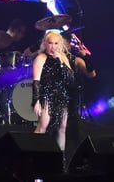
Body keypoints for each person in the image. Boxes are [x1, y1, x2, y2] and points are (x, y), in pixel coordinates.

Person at [31, 30, 96, 171]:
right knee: (43, 126)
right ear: (45, 44)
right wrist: (36, 101)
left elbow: (85, 75)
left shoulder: (65, 58)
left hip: (64, 97)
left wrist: (83, 57)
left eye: (56, 43)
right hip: (47, 95)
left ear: (61, 44)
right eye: (50, 43)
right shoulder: (41, 57)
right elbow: (36, 81)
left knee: (62, 128)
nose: (52, 47)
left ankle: (60, 162)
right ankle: (30, 156)